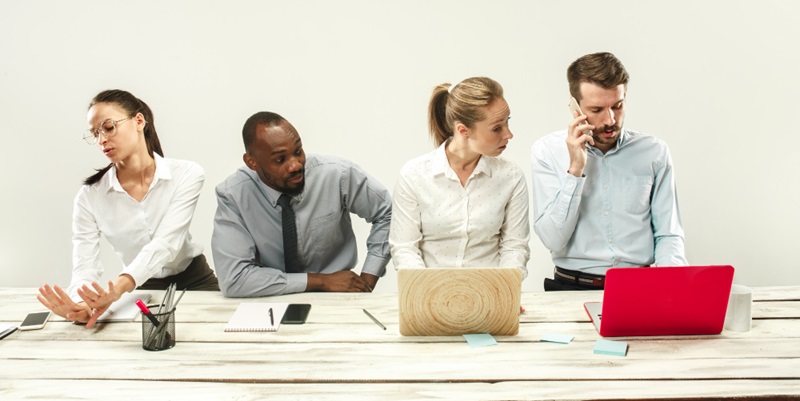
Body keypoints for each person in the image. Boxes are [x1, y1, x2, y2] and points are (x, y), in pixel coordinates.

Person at [37, 89, 219, 328]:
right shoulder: (90, 196)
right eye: (95, 133)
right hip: (142, 289)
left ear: (139, 121)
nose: (101, 140)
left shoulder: (186, 174)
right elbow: (85, 265)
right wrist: (81, 303)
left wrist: (120, 287)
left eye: (109, 127)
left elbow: (166, 243)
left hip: (195, 279)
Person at [531, 52, 688, 291]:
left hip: (639, 287)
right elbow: (553, 240)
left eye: (617, 106)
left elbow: (668, 234)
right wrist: (575, 170)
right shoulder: (547, 151)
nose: (610, 120)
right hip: (571, 288)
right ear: (575, 107)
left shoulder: (654, 152)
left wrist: (675, 287)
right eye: (596, 109)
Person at [212, 111, 392, 297]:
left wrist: (368, 279)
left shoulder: (337, 175)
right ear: (252, 162)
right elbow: (234, 279)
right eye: (280, 159)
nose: (296, 165)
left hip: (337, 297)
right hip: (267, 298)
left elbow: (387, 213)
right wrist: (321, 281)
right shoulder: (234, 196)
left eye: (298, 152)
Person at [390, 77, 530, 278]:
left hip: (490, 290)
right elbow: (404, 248)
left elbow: (515, 247)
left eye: (507, 121)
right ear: (463, 130)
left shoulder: (511, 176)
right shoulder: (414, 175)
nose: (509, 134)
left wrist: (504, 288)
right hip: (429, 290)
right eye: (496, 128)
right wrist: (428, 290)